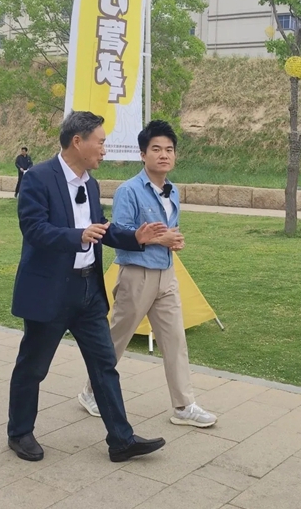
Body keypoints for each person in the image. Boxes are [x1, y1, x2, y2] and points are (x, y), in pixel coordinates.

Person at [7, 110, 168, 463]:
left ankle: (121, 440)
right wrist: (77, 236)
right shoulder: (38, 178)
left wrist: (136, 238)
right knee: (33, 367)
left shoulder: (91, 185)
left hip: (88, 292)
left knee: (104, 364)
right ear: (78, 142)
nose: (105, 150)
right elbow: (34, 229)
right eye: (101, 142)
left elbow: (100, 229)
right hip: (50, 291)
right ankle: (19, 432)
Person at [79, 120, 217, 428]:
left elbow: (167, 230)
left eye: (169, 149)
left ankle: (184, 406)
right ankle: (90, 391)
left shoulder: (173, 190)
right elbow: (121, 233)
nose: (164, 155)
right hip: (136, 276)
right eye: (156, 149)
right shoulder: (128, 191)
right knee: (117, 339)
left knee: (175, 340)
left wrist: (173, 241)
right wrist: (158, 239)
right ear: (143, 155)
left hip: (166, 275)